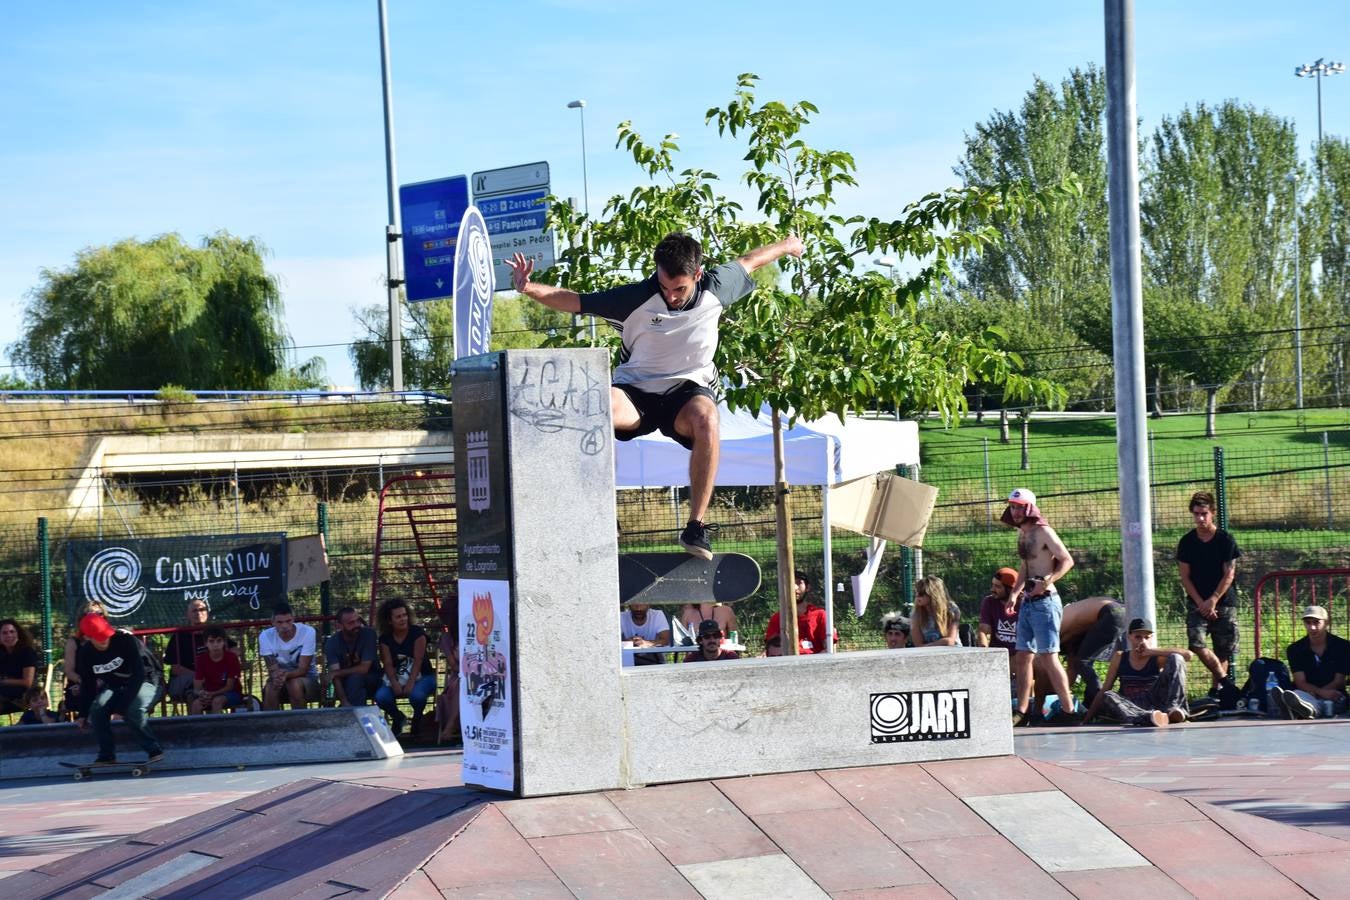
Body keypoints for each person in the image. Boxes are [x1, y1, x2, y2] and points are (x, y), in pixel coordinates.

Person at [506, 231, 805, 559]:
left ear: (697, 275)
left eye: (680, 289)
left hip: (687, 393)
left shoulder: (717, 288)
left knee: (708, 418)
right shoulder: (635, 298)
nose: (672, 297)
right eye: (664, 287)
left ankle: (696, 527)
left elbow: (751, 261)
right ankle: (592, 513)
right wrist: (529, 288)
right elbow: (576, 301)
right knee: (596, 404)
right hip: (636, 392)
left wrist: (788, 246)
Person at [1003, 488, 1079, 726]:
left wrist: (1046, 582)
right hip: (1027, 602)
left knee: (1048, 656)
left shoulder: (1043, 531)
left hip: (1046, 603)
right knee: (1023, 656)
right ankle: (1022, 711)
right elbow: (1026, 567)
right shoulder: (1023, 534)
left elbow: (1067, 560)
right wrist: (1014, 594)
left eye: (1019, 507)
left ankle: (1069, 712)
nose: (1015, 511)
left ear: (1029, 508)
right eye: (1012, 506)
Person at [71, 613, 163, 766]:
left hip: (148, 680)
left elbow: (138, 675)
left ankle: (154, 749)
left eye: (106, 636)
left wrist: (121, 707)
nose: (105, 640)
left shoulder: (125, 640)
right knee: (98, 708)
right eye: (100, 638)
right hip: (117, 685)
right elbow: (88, 684)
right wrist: (82, 713)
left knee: (132, 709)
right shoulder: (86, 653)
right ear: (88, 637)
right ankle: (107, 755)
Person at [1175, 490, 1241, 695]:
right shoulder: (1187, 542)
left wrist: (1212, 600)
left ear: (1212, 513)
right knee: (1197, 643)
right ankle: (1225, 682)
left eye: (1204, 513)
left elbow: (1229, 574)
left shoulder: (1226, 540)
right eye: (1196, 514)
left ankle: (1217, 691)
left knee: (1223, 649)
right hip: (1197, 601)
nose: (1200, 518)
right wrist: (1201, 603)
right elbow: (1185, 576)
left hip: (1224, 601)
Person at [1084, 618, 1192, 727]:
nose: (1142, 641)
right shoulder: (1120, 657)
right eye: (1138, 637)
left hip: (1155, 699)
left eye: (1146, 637)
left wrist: (1151, 651)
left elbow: (1188, 656)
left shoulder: (1156, 657)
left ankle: (1173, 709)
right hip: (1131, 705)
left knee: (1177, 657)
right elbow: (1105, 689)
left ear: (1151, 638)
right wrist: (1088, 718)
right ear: (1129, 637)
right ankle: (1148, 717)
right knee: (1108, 695)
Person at [1272, 605, 1350, 719]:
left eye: (1316, 622)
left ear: (1327, 623)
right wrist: (1319, 692)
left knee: (1331, 702)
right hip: (1307, 693)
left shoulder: (1343, 646)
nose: (1312, 627)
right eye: (1308, 622)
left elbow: (1339, 680)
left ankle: (1296, 709)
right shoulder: (1295, 649)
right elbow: (1300, 682)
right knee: (1298, 696)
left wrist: (1322, 693)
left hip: (1333, 693)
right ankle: (1300, 708)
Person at [375, 598, 437, 736]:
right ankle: (398, 717)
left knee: (417, 696)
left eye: (404, 615)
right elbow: (388, 663)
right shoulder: (385, 638)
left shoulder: (418, 633)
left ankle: (417, 718)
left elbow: (418, 660)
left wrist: (410, 684)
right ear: (389, 621)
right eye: (398, 617)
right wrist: (394, 683)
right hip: (396, 677)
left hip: (423, 676)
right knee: (381, 697)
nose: (403, 619)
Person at [1054, 597, 1127, 708]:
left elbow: (1050, 667)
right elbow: (1072, 667)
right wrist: (1064, 696)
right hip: (1121, 610)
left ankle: (1104, 702)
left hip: (1110, 612)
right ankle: (1091, 704)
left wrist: (1058, 696)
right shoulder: (1072, 629)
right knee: (1086, 663)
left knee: (1083, 662)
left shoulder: (1056, 629)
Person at [162, 598, 232, 704]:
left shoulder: (215, 632)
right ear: (188, 615)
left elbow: (235, 649)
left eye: (202, 609)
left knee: (214, 687)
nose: (199, 613)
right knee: (194, 694)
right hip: (184, 681)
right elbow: (175, 668)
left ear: (207, 613)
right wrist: (200, 676)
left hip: (213, 681)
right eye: (195, 611)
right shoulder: (179, 635)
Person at [258, 603, 320, 710]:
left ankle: (300, 723)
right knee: (271, 687)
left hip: (307, 678)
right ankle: (273, 724)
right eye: (280, 622)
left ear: (293, 619)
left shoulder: (308, 632)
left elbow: (303, 670)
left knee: (294, 684)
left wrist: (283, 675)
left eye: (288, 621)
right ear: (273, 622)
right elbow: (272, 668)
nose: (285, 626)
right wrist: (277, 676)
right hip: (281, 677)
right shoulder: (265, 636)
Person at [764, 571, 836, 655]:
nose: (794, 588)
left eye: (799, 583)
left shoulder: (820, 615)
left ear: (807, 587)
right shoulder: (777, 618)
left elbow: (830, 649)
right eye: (790, 583)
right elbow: (770, 650)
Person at [322, 607, 381, 707]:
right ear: (339, 626)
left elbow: (364, 669)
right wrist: (344, 700)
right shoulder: (332, 643)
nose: (356, 625)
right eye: (351, 623)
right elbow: (335, 677)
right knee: (349, 683)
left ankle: (351, 714)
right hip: (347, 684)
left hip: (373, 679)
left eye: (357, 620)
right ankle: (350, 710)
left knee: (355, 679)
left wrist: (337, 673)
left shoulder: (368, 634)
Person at [61, 600, 105, 716]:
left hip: (106, 685)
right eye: (90, 614)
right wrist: (84, 683)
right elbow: (69, 671)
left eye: (99, 614)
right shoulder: (73, 642)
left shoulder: (110, 640)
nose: (95, 617)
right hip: (80, 685)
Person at [189, 626, 243, 715]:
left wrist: (212, 694)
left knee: (217, 701)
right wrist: (202, 694)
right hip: (210, 694)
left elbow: (230, 686)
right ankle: (197, 728)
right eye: (211, 641)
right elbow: (197, 687)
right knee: (196, 704)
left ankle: (216, 728)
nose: (215, 644)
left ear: (224, 642)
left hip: (232, 693)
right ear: (205, 643)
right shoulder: (201, 659)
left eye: (219, 640)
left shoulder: (231, 658)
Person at [976, 567, 1020, 655]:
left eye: (997, 587)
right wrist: (985, 651)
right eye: (993, 585)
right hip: (998, 654)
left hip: (1021, 655)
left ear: (1010, 589)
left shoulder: (1026, 605)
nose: (992, 589)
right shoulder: (989, 602)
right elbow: (984, 631)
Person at [0, 618, 39, 715]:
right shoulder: (2, 654)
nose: (9, 635)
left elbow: (28, 682)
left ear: (18, 634)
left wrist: (4, 681)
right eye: (4, 633)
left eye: (12, 631)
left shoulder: (27, 652)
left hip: (23, 696)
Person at [909, 575, 961, 647]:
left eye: (921, 593)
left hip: (952, 651)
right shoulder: (916, 614)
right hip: (928, 653)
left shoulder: (951, 610)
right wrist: (940, 643)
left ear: (933, 594)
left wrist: (927, 646)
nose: (917, 596)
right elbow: (918, 645)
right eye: (916, 592)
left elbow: (950, 641)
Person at [621, 601, 672, 666]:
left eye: (642, 602)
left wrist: (646, 643)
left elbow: (666, 641)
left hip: (654, 662)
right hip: (629, 662)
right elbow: (612, 642)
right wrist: (628, 642)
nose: (638, 608)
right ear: (629, 605)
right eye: (634, 603)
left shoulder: (657, 615)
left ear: (648, 604)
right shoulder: (621, 617)